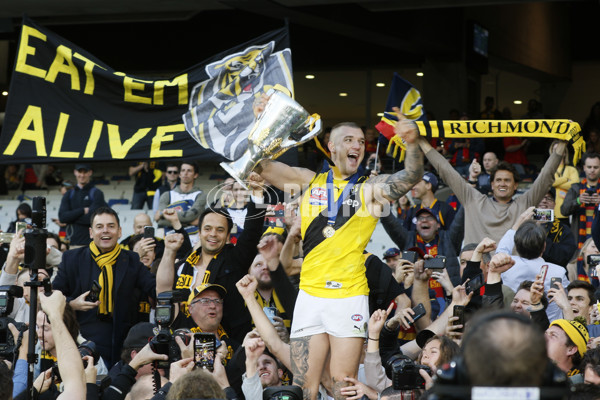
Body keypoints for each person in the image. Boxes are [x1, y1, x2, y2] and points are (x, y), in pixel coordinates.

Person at [255, 112, 424, 399]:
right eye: (348, 140)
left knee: (343, 385)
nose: (357, 145)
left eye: (360, 141)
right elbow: (261, 167)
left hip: (348, 298)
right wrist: (264, 124)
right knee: (304, 388)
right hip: (309, 296)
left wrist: (412, 143)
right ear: (331, 147)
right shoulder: (309, 181)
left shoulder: (368, 189)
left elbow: (410, 177)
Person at [156, 184, 265, 343]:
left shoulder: (235, 258)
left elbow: (253, 230)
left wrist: (257, 194)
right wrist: (169, 251)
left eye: (220, 230)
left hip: (229, 348)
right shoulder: (186, 263)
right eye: (208, 229)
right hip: (184, 345)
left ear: (228, 236)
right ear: (199, 233)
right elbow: (163, 292)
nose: (213, 234)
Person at [52, 206, 157, 365]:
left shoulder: (132, 260)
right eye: (99, 227)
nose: (105, 231)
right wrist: (72, 304)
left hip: (122, 347)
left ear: (120, 231)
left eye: (111, 226)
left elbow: (155, 289)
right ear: (91, 232)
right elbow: (52, 298)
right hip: (82, 343)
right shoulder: (71, 259)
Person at [417, 137, 566, 245]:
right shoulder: (473, 199)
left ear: (515, 186)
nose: (503, 184)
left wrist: (562, 143)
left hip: (512, 277)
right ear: (492, 184)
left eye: (507, 180)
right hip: (479, 275)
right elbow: (446, 170)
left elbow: (546, 176)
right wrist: (422, 142)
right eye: (499, 180)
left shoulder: (524, 202)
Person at [498, 219, 569, 322]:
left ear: (516, 246)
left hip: (512, 324)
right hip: (549, 330)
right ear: (544, 246)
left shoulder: (506, 265)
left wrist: (516, 224)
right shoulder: (558, 272)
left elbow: (501, 251)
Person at [156, 162, 205, 246]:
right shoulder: (167, 195)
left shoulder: (201, 195)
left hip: (193, 237)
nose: (185, 173)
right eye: (183, 170)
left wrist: (169, 218)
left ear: (195, 175)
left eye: (189, 171)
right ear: (179, 174)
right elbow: (160, 222)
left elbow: (189, 216)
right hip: (168, 235)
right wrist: (190, 222)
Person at [58, 163, 107, 248]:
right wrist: (82, 211)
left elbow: (93, 219)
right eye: (79, 172)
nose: (82, 175)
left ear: (90, 173)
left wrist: (71, 218)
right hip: (72, 244)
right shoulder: (69, 194)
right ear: (75, 172)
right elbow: (62, 218)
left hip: (92, 244)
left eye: (85, 172)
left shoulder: (97, 193)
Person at [561, 152, 600, 249]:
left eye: (595, 167)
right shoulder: (575, 188)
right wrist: (578, 201)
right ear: (584, 168)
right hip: (579, 238)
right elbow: (564, 210)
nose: (592, 170)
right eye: (589, 167)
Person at [536, 188, 577, 267]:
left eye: (549, 198)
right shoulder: (524, 225)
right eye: (541, 197)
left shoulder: (563, 229)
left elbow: (563, 258)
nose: (544, 201)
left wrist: (541, 232)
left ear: (554, 205)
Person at [549, 140, 580, 226]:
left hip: (567, 212)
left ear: (565, 153)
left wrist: (555, 183)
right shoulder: (547, 169)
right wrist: (566, 179)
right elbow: (548, 183)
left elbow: (575, 186)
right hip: (549, 211)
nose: (557, 151)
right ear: (551, 152)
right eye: (555, 149)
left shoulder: (571, 169)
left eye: (560, 149)